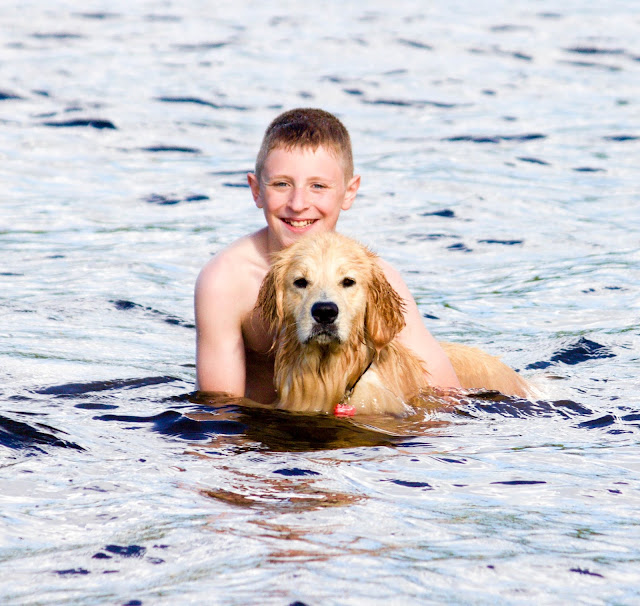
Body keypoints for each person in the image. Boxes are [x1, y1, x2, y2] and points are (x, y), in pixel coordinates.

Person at [194, 108, 460, 402]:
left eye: (318, 186)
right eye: (282, 184)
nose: (298, 204)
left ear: (349, 192)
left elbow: (446, 394)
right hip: (265, 427)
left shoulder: (372, 274)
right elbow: (219, 412)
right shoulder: (225, 280)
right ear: (256, 190)